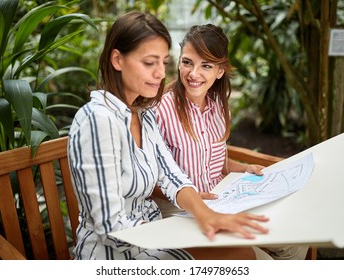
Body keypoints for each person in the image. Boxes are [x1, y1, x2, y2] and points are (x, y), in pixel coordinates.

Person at [67, 11, 269, 260]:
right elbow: (111, 229)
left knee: (244, 254)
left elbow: (172, 175)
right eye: (149, 62)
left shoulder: (143, 115)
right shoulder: (96, 121)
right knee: (242, 257)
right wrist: (183, 232)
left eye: (163, 62)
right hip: (118, 254)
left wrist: (207, 215)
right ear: (117, 60)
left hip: (154, 233)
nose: (162, 74)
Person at [153, 24, 308, 260]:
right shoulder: (161, 111)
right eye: (187, 62)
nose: (193, 74)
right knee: (261, 262)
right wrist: (190, 197)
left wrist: (245, 168)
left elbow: (217, 161)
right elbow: (149, 178)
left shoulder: (219, 108)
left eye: (206, 65)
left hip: (223, 201)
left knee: (298, 243)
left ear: (220, 71)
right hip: (180, 211)